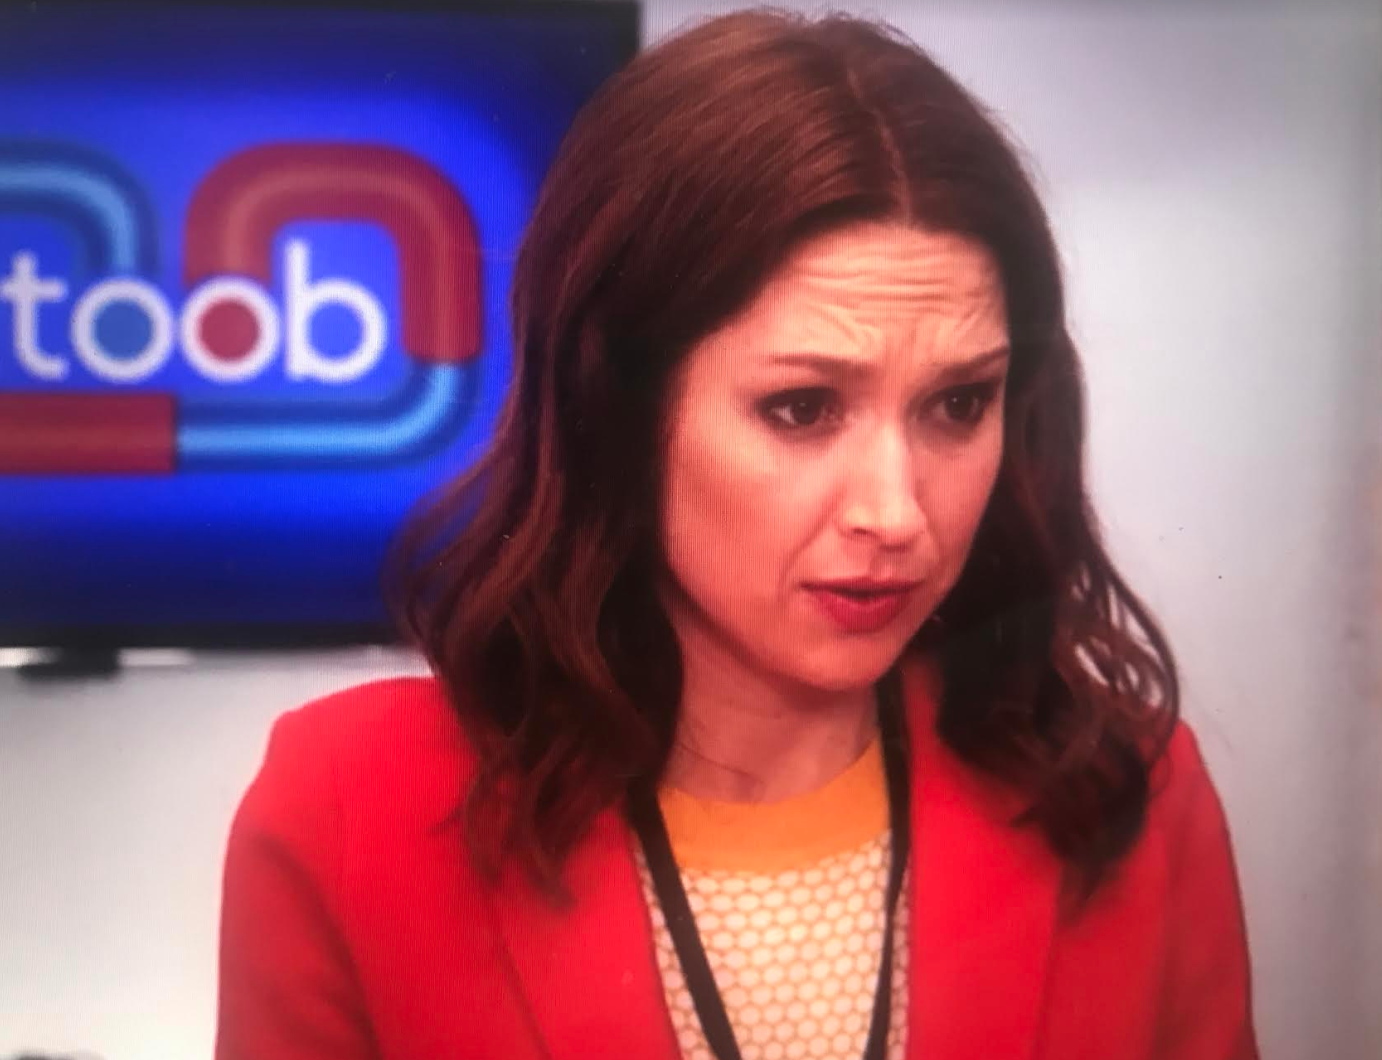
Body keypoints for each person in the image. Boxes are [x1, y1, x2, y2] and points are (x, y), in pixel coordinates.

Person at [214, 8, 1257, 1059]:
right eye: (801, 408)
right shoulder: (346, 811)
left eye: (957, 405)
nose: (896, 512)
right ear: (617, 405)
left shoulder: (1130, 789)